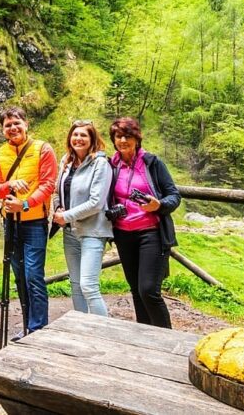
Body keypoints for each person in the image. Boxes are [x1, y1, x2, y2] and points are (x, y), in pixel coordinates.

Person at [107, 117, 181, 328]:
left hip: (151, 233)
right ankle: (145, 337)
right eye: (118, 136)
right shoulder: (112, 165)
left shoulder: (152, 163)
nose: (123, 141)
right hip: (123, 234)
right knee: (136, 290)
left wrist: (158, 205)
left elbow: (174, 196)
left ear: (137, 138)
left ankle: (166, 339)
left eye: (127, 136)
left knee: (148, 290)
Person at [0, 106, 57, 339]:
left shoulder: (43, 149)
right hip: (11, 223)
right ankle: (29, 325)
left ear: (26, 124)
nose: (13, 128)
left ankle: (38, 329)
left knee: (33, 275)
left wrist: (25, 204)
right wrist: (11, 186)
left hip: (34, 222)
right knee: (19, 275)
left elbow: (48, 184)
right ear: (3, 130)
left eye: (16, 123)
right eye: (7, 125)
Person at [52, 121, 113, 317]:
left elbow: (96, 202)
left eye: (84, 135)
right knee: (76, 284)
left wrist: (65, 216)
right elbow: (56, 191)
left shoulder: (100, 164)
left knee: (88, 285)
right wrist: (58, 208)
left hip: (93, 231)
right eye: (75, 134)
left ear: (92, 139)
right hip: (70, 231)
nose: (78, 138)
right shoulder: (66, 161)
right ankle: (82, 328)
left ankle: (103, 331)